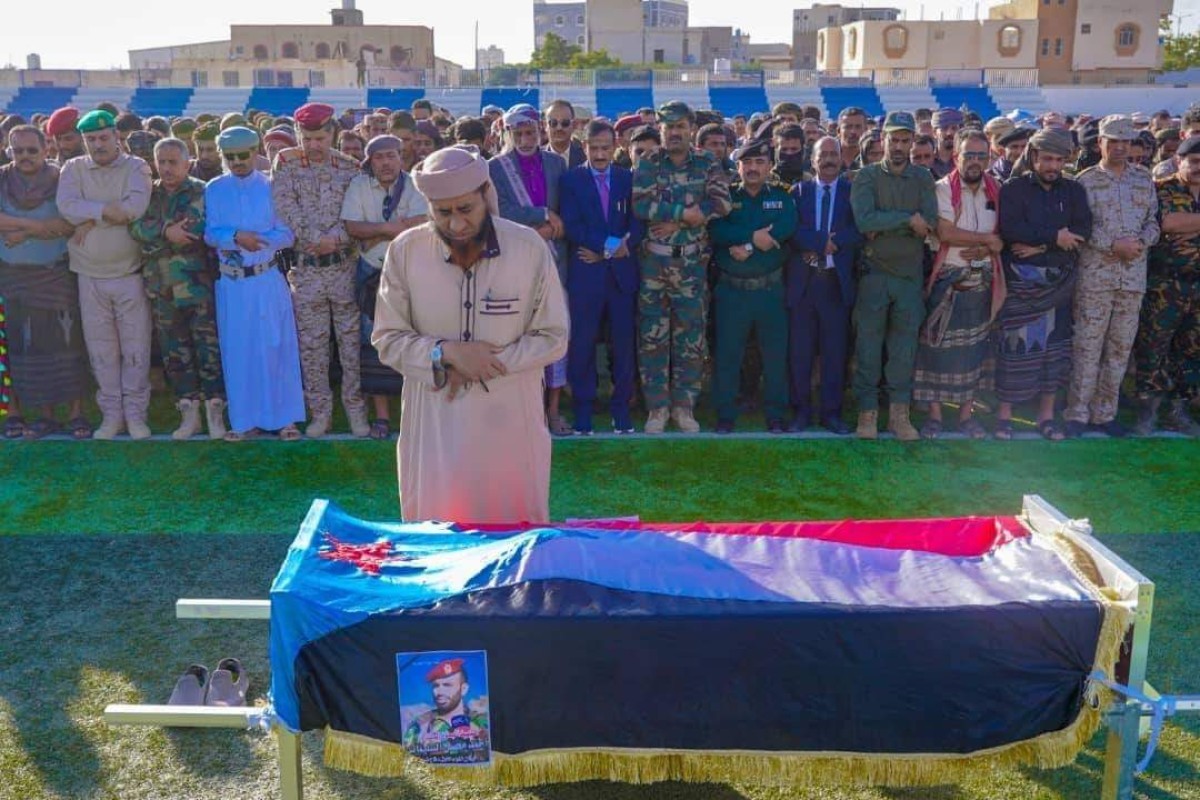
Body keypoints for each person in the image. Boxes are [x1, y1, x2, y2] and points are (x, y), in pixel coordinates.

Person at [372, 146, 568, 523]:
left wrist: (485, 362)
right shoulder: (406, 251)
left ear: (486, 195)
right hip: (436, 426)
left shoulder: (528, 248)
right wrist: (443, 354)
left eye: (466, 209)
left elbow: (553, 336)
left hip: (511, 420)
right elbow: (388, 337)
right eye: (443, 213)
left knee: (513, 535)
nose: (457, 224)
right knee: (438, 538)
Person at [632, 101, 732, 433]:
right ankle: (657, 409)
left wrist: (678, 224)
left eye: (680, 127)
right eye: (668, 127)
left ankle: (684, 407)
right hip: (654, 265)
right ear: (660, 129)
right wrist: (684, 213)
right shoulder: (649, 162)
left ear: (691, 128)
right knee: (653, 337)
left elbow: (721, 203)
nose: (674, 132)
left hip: (690, 264)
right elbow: (641, 204)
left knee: (691, 338)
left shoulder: (706, 162)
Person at [272, 102, 369, 438]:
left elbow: (359, 213)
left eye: (320, 137)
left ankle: (356, 411)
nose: (313, 145)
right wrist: (315, 239)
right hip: (308, 269)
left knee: (350, 346)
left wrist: (337, 240)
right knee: (313, 348)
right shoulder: (285, 163)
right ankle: (320, 414)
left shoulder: (350, 167)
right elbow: (285, 206)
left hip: (342, 268)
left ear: (333, 134)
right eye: (307, 138)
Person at [56, 109, 154, 440]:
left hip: (129, 272)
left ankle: (136, 415)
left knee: (135, 347)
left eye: (103, 138)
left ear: (115, 136)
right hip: (89, 274)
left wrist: (87, 217)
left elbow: (133, 209)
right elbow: (67, 207)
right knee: (102, 351)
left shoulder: (136, 167)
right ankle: (112, 416)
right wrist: (100, 211)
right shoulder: (73, 169)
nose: (97, 145)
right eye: (91, 140)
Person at [204, 126, 304, 442]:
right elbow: (210, 233)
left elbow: (288, 234)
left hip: (266, 276)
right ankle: (244, 420)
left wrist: (254, 240)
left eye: (243, 155)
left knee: (277, 346)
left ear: (255, 152)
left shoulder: (273, 186)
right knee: (239, 349)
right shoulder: (215, 188)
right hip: (233, 283)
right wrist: (235, 237)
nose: (237, 162)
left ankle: (286, 419)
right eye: (230, 156)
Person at [994, 128, 1093, 440]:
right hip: (1023, 286)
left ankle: (1046, 417)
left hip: (1060, 285)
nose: (1053, 166)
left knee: (1055, 351)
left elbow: (1082, 230)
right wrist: (1055, 237)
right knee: (1015, 350)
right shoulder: (1013, 189)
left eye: (1059, 160)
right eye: (1047, 158)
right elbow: (1011, 230)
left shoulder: (1074, 191)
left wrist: (1041, 244)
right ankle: (1004, 416)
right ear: (1034, 157)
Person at [1067, 115, 1160, 438]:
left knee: (1119, 349)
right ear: (1100, 143)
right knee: (1087, 347)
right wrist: (1112, 245)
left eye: (1126, 141)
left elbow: (1153, 222)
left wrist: (1139, 243)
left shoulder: (1143, 179)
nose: (1120, 147)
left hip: (1132, 277)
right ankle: (1078, 413)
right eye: (1113, 141)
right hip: (1096, 277)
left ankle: (1105, 414)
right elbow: (1080, 228)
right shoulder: (1085, 182)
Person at [128, 137, 226, 440]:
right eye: (162, 162)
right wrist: (164, 231)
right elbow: (136, 227)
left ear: (187, 162)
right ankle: (189, 414)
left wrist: (159, 235)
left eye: (174, 162)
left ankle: (216, 414)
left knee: (208, 352)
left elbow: (194, 230)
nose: (167, 168)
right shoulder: (148, 193)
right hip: (162, 289)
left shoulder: (201, 190)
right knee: (175, 354)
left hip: (198, 288)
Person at [849, 111, 938, 440]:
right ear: (881, 140)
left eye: (905, 140)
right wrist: (906, 220)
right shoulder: (867, 177)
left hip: (909, 278)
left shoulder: (923, 178)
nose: (899, 146)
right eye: (893, 139)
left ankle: (899, 415)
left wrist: (898, 222)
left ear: (912, 142)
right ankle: (867, 414)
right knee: (868, 348)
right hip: (874, 275)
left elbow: (928, 221)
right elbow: (865, 222)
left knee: (903, 350)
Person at [913, 130, 1006, 439]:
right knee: (936, 351)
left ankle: (966, 416)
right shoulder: (940, 189)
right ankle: (936, 416)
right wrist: (986, 241)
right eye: (969, 155)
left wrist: (988, 247)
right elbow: (946, 233)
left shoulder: (997, 191)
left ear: (990, 159)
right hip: (948, 281)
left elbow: (1004, 235)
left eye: (982, 156)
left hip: (982, 282)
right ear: (956, 157)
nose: (975, 162)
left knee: (974, 352)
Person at [0, 124, 90, 440]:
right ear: (9, 149)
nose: (24, 156)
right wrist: (35, 225)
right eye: (18, 150)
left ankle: (77, 413)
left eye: (31, 150)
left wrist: (24, 231)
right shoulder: (1, 178)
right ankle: (44, 415)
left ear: (46, 149)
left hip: (56, 275)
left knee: (67, 346)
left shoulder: (62, 177)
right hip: (12, 278)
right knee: (26, 350)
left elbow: (69, 223)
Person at [488, 104, 570, 434]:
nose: (525, 139)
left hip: (555, 259)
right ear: (508, 134)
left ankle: (552, 409)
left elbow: (566, 209)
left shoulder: (555, 163)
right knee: (520, 337)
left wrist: (550, 226)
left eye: (530, 133)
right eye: (518, 133)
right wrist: (540, 218)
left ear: (540, 131)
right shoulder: (496, 167)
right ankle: (525, 409)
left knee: (556, 333)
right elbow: (500, 211)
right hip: (517, 261)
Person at [341, 134, 429, 439]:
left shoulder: (416, 182)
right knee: (374, 343)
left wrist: (375, 231)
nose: (386, 162)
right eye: (379, 157)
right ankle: (381, 416)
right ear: (370, 161)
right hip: (371, 272)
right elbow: (353, 227)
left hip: (410, 272)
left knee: (413, 341)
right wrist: (390, 228)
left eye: (391, 155)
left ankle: (414, 411)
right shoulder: (358, 185)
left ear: (400, 157)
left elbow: (423, 221)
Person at [707, 139, 796, 433]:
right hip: (732, 291)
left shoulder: (782, 198)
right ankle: (725, 414)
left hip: (770, 291)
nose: (754, 168)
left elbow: (787, 227)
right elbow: (716, 228)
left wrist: (745, 243)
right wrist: (750, 236)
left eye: (760, 163)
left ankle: (775, 414)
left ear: (769, 166)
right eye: (748, 163)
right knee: (728, 355)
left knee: (774, 357)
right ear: (739, 166)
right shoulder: (727, 198)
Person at [559, 119, 641, 435]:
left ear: (615, 147)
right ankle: (584, 410)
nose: (600, 154)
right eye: (594, 148)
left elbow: (637, 224)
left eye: (606, 147)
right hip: (587, 275)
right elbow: (573, 225)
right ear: (585, 147)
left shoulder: (627, 179)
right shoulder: (571, 180)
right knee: (583, 345)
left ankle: (621, 409)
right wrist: (607, 247)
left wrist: (615, 249)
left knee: (623, 345)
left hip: (621, 277)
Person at [787, 136, 861, 435]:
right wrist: (819, 242)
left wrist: (833, 243)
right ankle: (801, 412)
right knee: (800, 355)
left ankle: (832, 413)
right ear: (813, 159)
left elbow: (860, 229)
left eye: (834, 154)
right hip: (804, 286)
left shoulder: (853, 192)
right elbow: (789, 228)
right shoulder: (799, 191)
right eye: (823, 154)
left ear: (842, 158)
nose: (829, 159)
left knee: (835, 354)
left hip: (835, 284)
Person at [1133, 135, 1200, 436]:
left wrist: (1190, 222)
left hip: (1197, 287)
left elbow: (1179, 224)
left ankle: (1178, 410)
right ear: (1178, 161)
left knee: (1190, 352)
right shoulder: (1161, 188)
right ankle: (1148, 410)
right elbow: (1167, 224)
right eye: (1194, 162)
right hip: (1164, 286)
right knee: (1152, 348)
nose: (1199, 168)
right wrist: (1181, 223)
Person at [402, 658, 489, 759]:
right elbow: (408, 761)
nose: (439, 692)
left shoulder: (481, 722)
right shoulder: (418, 725)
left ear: (463, 689)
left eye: (447, 685)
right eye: (436, 686)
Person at [543, 100, 586, 169]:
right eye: (553, 123)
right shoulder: (537, 158)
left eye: (565, 123)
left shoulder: (585, 156)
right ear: (545, 125)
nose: (559, 128)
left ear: (573, 125)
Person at [930, 108, 963, 179]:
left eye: (954, 128)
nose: (949, 133)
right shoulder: (927, 158)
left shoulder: (964, 159)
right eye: (944, 128)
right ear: (934, 133)